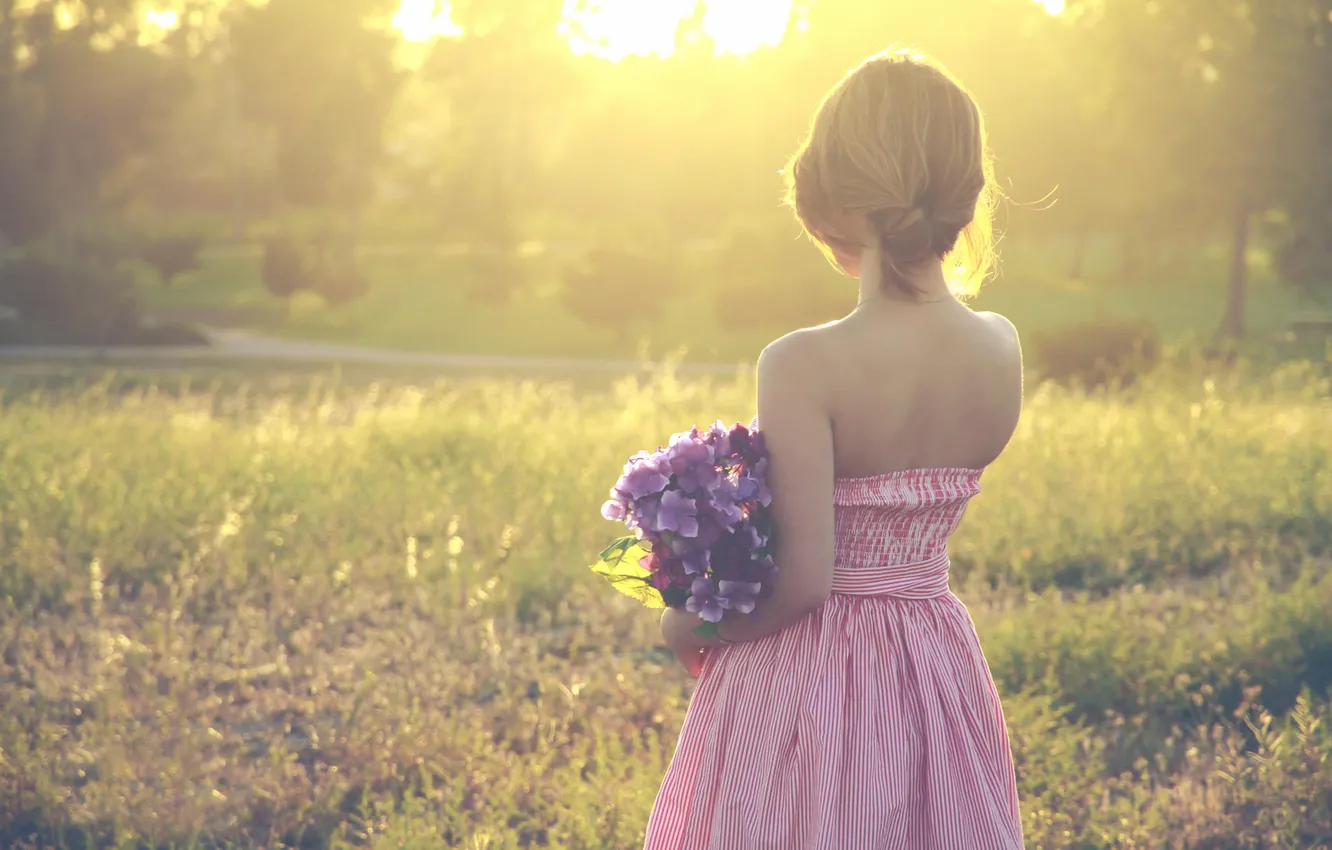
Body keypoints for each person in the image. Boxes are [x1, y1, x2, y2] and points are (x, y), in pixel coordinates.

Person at [645, 47, 1026, 849]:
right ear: (965, 191)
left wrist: (691, 627)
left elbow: (807, 582)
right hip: (933, 663)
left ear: (838, 197)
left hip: (809, 678)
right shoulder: (1000, 348)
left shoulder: (804, 362)